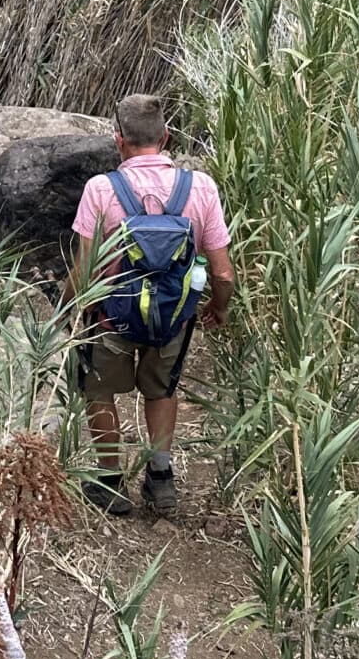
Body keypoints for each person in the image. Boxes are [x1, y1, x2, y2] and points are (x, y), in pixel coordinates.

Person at [66, 93, 234, 517]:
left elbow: (85, 268)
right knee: (161, 389)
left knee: (98, 390)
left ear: (118, 140)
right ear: (167, 137)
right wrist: (219, 307)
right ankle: (161, 481)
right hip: (171, 320)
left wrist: (68, 307)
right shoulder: (201, 187)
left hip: (110, 320)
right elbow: (224, 273)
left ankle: (110, 482)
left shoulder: (101, 189)